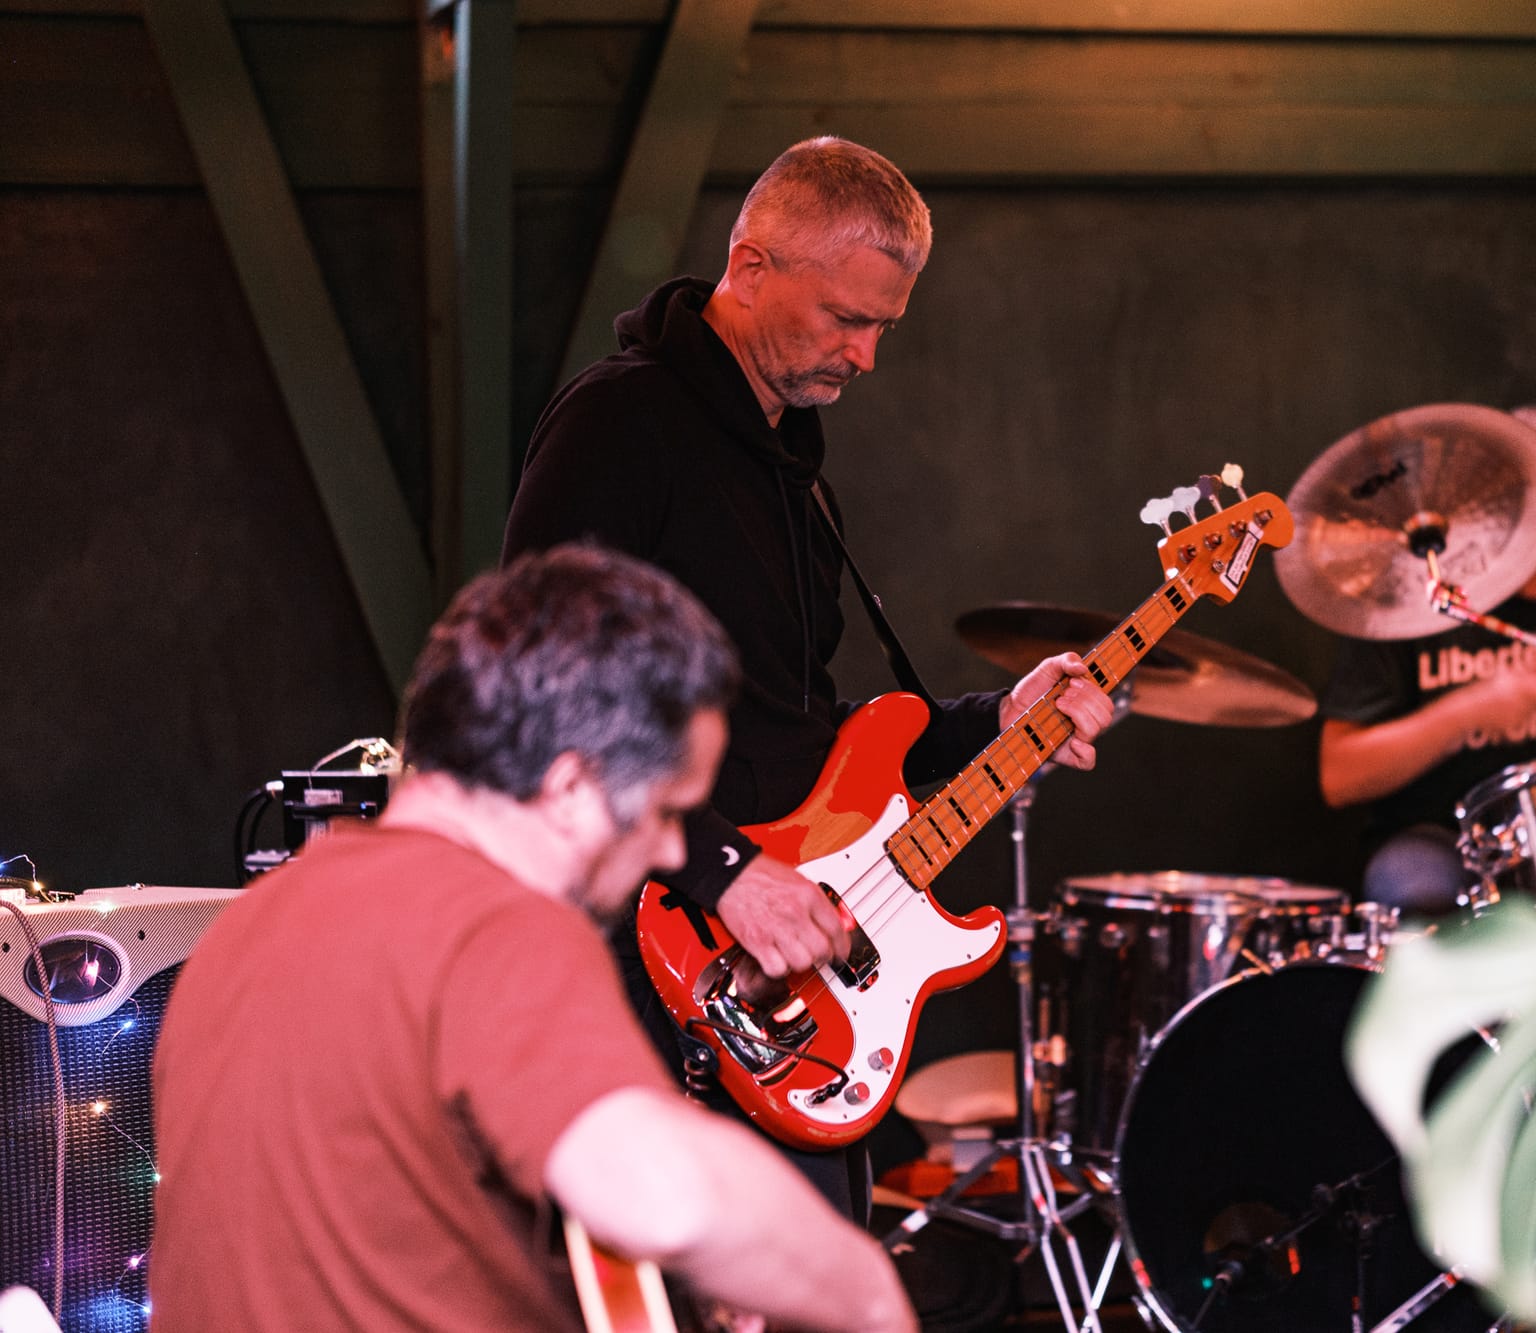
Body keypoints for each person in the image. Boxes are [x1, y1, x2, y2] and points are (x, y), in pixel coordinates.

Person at [502, 135, 1113, 1216]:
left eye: (884, 327)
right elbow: (531, 686)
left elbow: (808, 738)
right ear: (750, 269)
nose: (865, 356)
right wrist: (723, 869)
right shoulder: (622, 423)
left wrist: (1001, 720)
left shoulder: (790, 466)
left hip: (782, 976)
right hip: (653, 959)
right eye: (845, 318)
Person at [151, 546, 918, 1333]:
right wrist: (868, 1292)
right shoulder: (495, 923)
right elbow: (669, 1198)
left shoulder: (246, 926)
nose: (669, 850)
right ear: (571, 787)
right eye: (665, 811)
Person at [1316, 406, 1536, 915]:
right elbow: (1340, 777)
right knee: (1420, 896)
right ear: (1498, 508)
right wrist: (1470, 712)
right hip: (1437, 837)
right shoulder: (1415, 597)